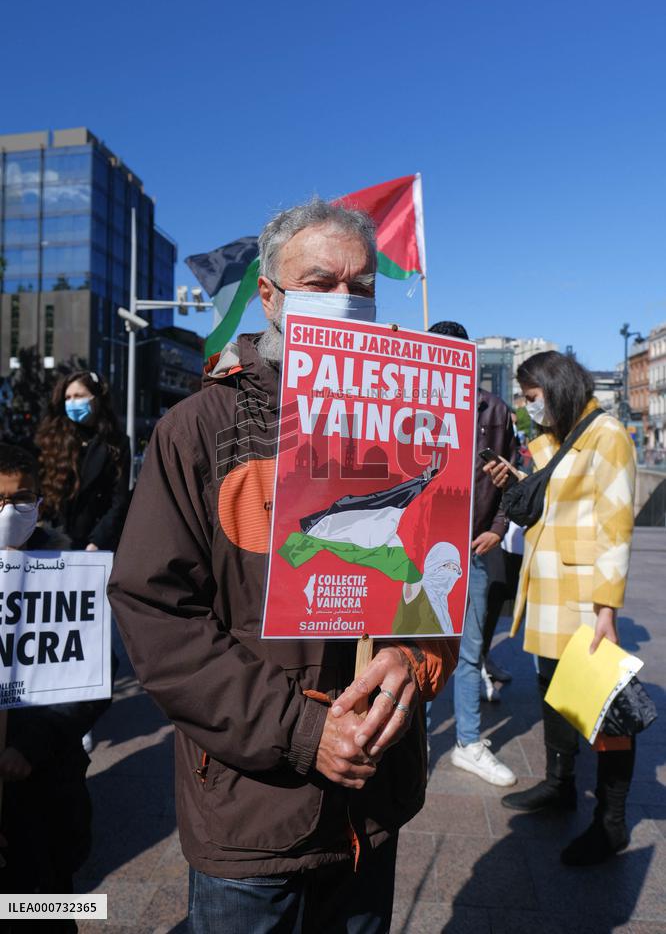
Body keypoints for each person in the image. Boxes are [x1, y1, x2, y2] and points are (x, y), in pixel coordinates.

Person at [108, 199, 458, 933]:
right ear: (270, 295)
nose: (345, 301)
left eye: (361, 287)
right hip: (255, 814)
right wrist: (302, 733)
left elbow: (432, 577)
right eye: (320, 281)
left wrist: (414, 654)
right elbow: (155, 610)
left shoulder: (413, 424)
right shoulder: (201, 431)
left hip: (375, 803)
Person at [485, 350, 637, 865]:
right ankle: (559, 785)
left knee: (601, 706)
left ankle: (611, 822)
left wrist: (607, 609)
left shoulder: (608, 435)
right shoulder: (556, 441)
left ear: (555, 386)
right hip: (548, 592)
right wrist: (518, 478)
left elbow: (616, 527)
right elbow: (548, 504)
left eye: (532, 398)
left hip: (581, 598)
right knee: (553, 693)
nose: (529, 409)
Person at [0, 444, 108, 924]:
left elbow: (92, 680)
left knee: (47, 906)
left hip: (46, 783)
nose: (8, 512)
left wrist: (29, 747)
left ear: (40, 501)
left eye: (19, 498)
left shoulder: (67, 567)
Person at [426, 321, 517, 786]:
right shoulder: (411, 404)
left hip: (475, 546)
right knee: (419, 647)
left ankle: (468, 742)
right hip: (422, 549)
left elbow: (510, 473)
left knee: (470, 651)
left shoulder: (495, 411)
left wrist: (499, 529)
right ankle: (414, 741)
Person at [35, 370, 130, 552]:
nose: (72, 402)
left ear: (96, 398)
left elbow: (119, 499)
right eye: (68, 397)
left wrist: (97, 541)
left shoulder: (117, 443)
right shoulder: (52, 438)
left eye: (78, 396)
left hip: (92, 543)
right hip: (51, 539)